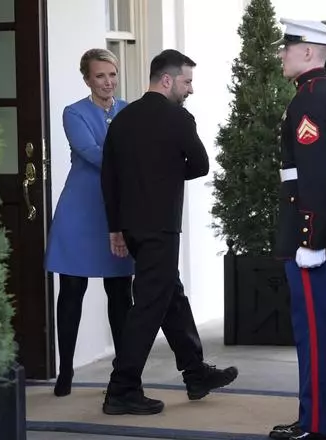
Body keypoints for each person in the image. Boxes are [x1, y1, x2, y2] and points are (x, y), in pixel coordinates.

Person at [100, 49, 239, 415]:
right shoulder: (179, 119)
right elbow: (201, 164)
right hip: (161, 225)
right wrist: (169, 171)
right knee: (148, 306)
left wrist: (115, 227)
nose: (190, 89)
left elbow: (108, 179)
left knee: (168, 295)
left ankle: (195, 373)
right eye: (187, 81)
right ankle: (121, 388)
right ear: (167, 79)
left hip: (131, 225)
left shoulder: (122, 119)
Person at [269, 18, 326, 440]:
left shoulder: (309, 100)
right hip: (320, 228)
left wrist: (310, 239)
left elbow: (316, 176)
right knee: (318, 331)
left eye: (288, 47)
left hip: (310, 235)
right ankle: (317, 420)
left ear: (308, 51)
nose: (282, 54)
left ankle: (320, 427)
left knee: (316, 334)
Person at [45, 48, 134, 398]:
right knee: (71, 293)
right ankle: (65, 370)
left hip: (116, 211)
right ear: (87, 79)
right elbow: (92, 153)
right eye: (100, 76)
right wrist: (133, 163)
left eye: (112, 74)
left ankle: (122, 372)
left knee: (119, 293)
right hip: (81, 212)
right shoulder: (74, 113)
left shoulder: (129, 111)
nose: (108, 82)